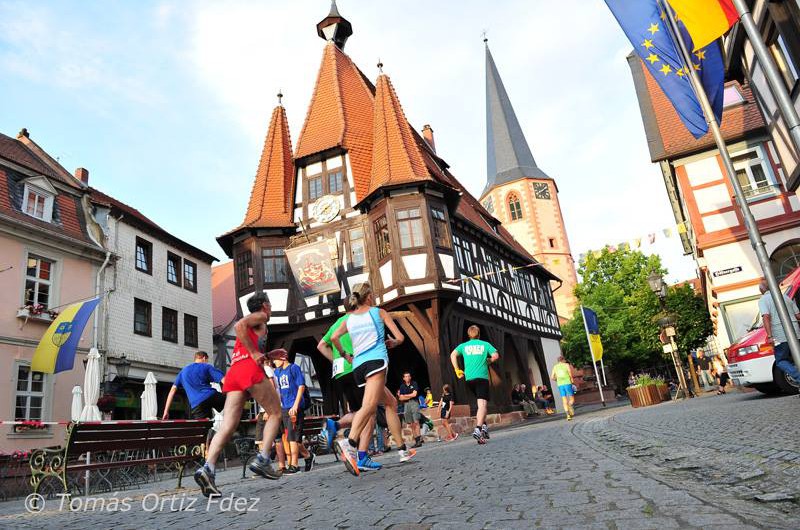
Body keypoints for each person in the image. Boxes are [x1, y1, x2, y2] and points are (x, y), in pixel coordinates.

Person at [194, 292, 284, 497]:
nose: (270, 309)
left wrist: (268, 355)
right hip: (249, 370)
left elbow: (248, 346)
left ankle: (208, 468)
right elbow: (239, 326)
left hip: (234, 371)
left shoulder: (259, 325)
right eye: (270, 304)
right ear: (264, 305)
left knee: (227, 426)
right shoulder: (260, 316)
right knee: (276, 413)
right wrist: (255, 354)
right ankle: (263, 459)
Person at [330, 282, 416, 476]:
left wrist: (346, 355)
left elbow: (334, 337)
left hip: (358, 367)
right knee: (369, 407)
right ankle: (349, 443)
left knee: (391, 403)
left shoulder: (348, 319)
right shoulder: (379, 312)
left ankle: (402, 449)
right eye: (374, 294)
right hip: (375, 362)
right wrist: (393, 342)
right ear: (368, 296)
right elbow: (400, 337)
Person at [316, 305, 382, 472]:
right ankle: (362, 456)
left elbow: (321, 345)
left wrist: (336, 360)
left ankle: (335, 426)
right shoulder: (356, 320)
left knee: (359, 410)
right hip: (356, 368)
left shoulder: (336, 323)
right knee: (369, 412)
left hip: (340, 372)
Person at [450, 325, 500, 444]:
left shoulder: (463, 346)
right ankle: (478, 429)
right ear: (479, 334)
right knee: (482, 405)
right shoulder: (485, 344)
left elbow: (452, 355)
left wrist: (457, 369)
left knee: (481, 405)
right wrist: (490, 360)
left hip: (469, 379)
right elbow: (496, 355)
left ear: (469, 335)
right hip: (481, 377)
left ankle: (484, 428)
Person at [273, 351, 315, 473]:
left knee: (292, 437)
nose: (274, 362)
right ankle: (308, 455)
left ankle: (294, 465)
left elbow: (301, 386)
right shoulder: (277, 372)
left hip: (294, 407)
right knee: (293, 438)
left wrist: (296, 405)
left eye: (275, 359)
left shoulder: (294, 368)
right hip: (284, 407)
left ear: (283, 358)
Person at [758, 279, 800, 386]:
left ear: (762, 289)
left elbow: (766, 317)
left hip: (780, 335)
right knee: (797, 357)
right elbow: (798, 316)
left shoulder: (763, 300)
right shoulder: (786, 298)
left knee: (781, 361)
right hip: (796, 332)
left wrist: (770, 336)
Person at [162, 351, 225, 420]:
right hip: (210, 396)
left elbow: (172, 391)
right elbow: (224, 380)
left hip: (196, 405)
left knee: (203, 428)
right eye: (207, 360)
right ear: (204, 358)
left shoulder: (183, 372)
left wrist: (166, 411)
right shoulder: (206, 366)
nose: (207, 362)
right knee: (232, 402)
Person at [399, 372, 424, 448]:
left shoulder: (414, 383)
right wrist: (409, 395)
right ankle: (416, 440)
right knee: (411, 423)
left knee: (416, 421)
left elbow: (415, 394)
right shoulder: (402, 386)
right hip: (406, 405)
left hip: (414, 403)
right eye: (405, 376)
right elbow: (400, 398)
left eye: (408, 376)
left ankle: (419, 440)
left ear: (410, 377)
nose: (407, 378)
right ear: (403, 378)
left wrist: (405, 396)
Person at [551, 356, 575, 421]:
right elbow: (570, 373)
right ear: (563, 360)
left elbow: (552, 377)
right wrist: (572, 380)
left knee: (564, 400)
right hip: (567, 383)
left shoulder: (555, 367)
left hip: (560, 385)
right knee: (572, 398)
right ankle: (569, 406)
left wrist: (557, 380)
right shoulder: (566, 365)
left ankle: (568, 415)